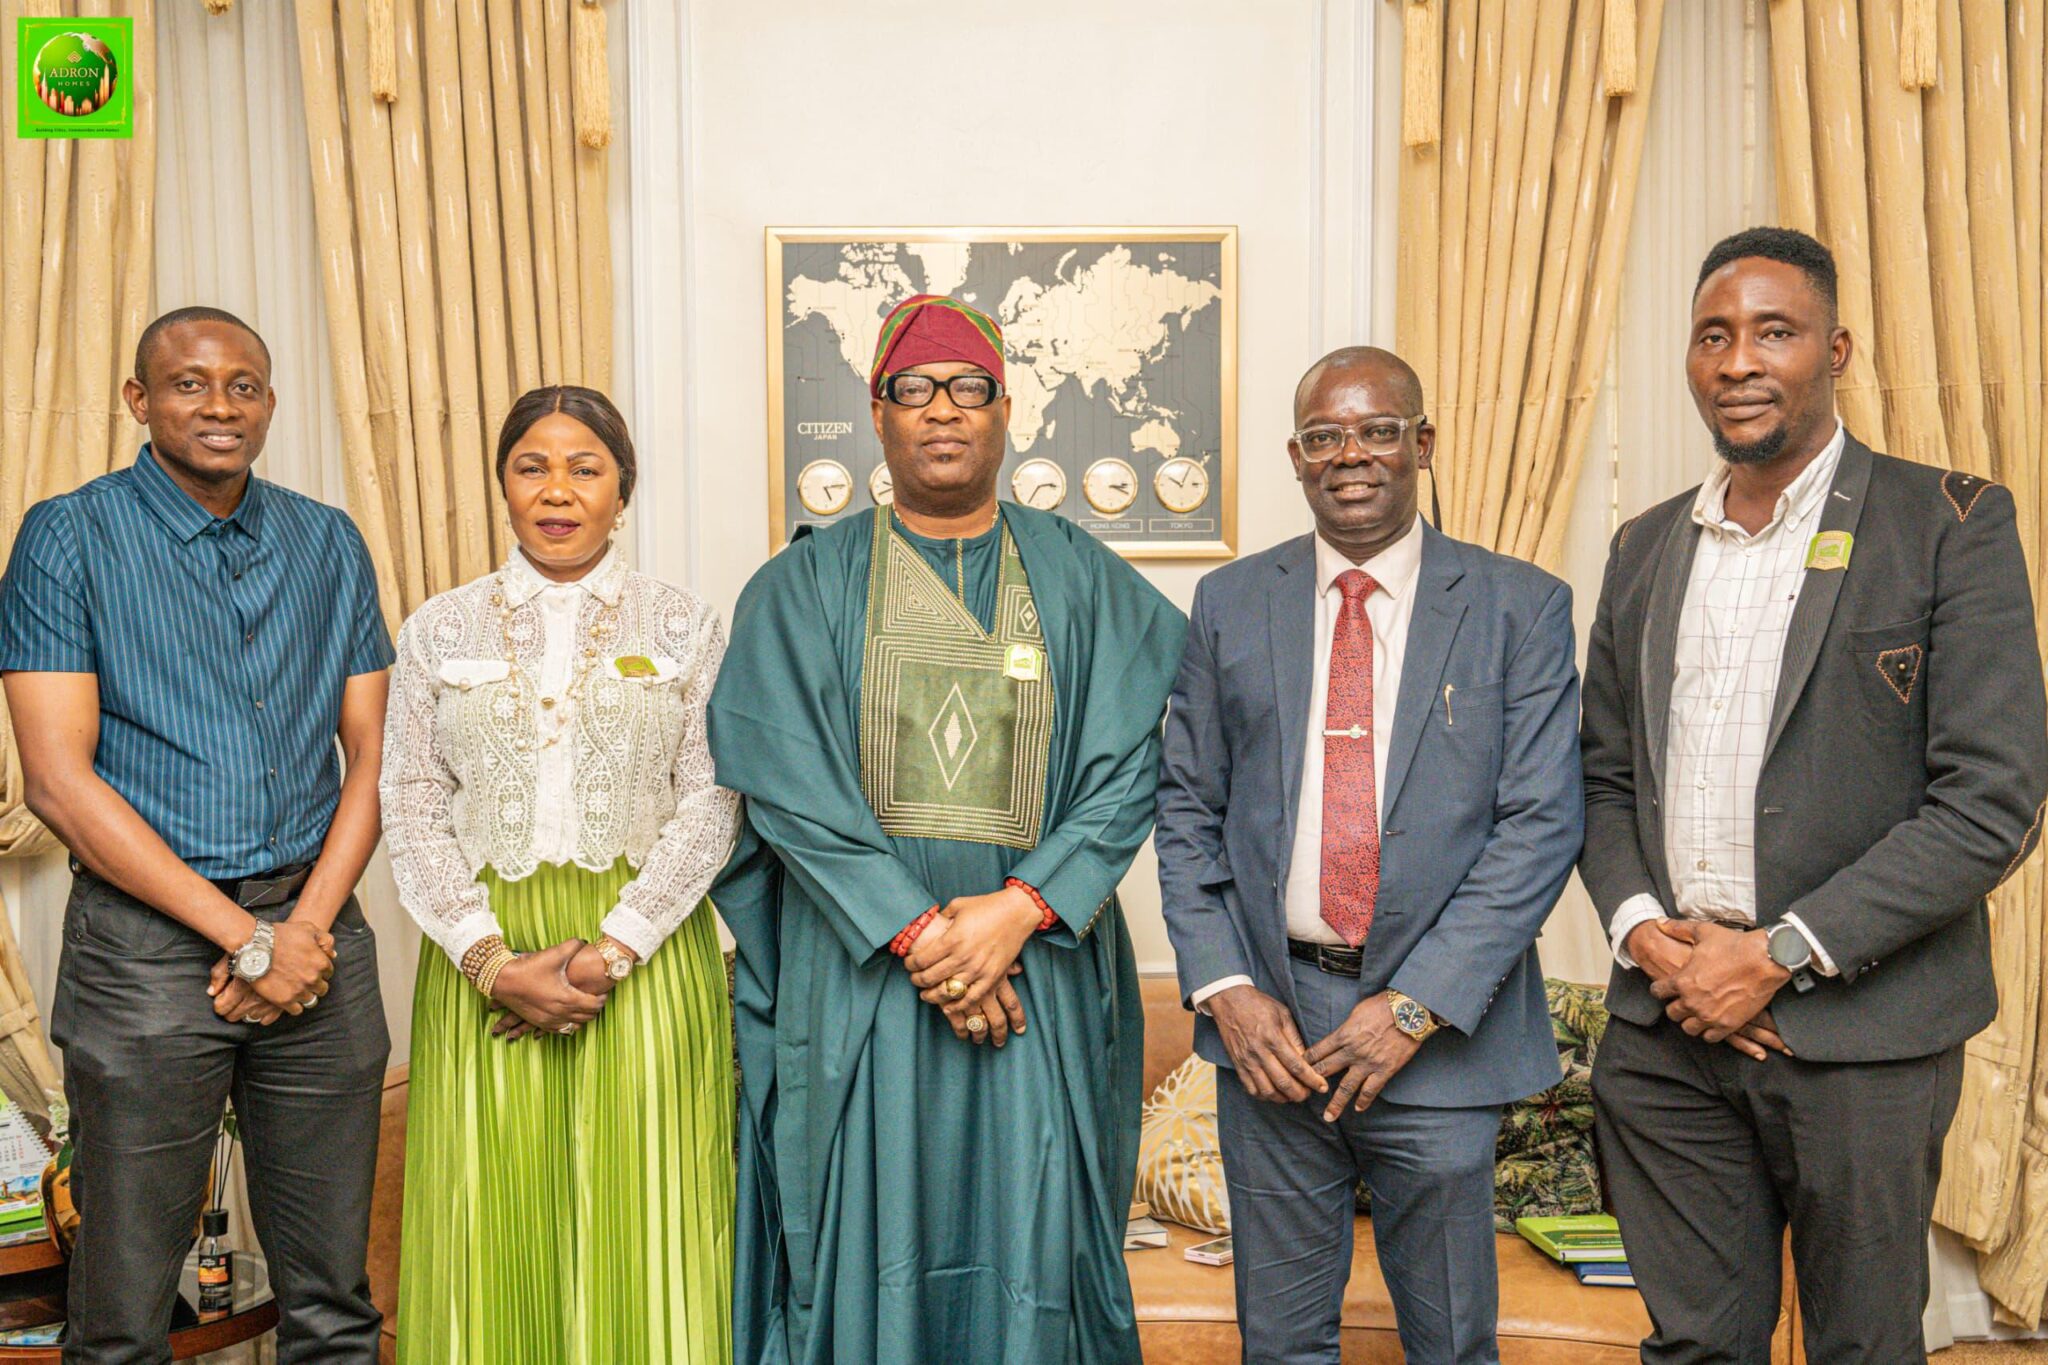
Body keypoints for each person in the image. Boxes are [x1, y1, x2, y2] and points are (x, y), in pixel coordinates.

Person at [1580, 227, 2048, 1362]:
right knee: (1695, 1348)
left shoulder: (1948, 522)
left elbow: (1992, 800)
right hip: (1665, 1036)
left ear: (1833, 350)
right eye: (1712, 336)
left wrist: (1776, 954)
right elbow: (1600, 774)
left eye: (1773, 332)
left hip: (1859, 1041)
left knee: (1861, 1348)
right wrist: (1645, 935)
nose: (1738, 360)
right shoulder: (1643, 546)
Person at [710, 294, 1186, 1363]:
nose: (942, 409)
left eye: (969, 388)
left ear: (1005, 412)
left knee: (1038, 1245)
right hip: (863, 987)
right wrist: (922, 932)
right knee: (866, 1245)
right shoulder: (800, 588)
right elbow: (785, 786)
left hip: (1039, 981)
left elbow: (1133, 767)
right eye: (913, 389)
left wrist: (1018, 910)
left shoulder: (1083, 579)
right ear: (876, 416)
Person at [1154, 346, 1583, 1363]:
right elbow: (1185, 809)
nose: (1350, 455)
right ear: (1296, 458)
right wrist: (1225, 988)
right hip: (1271, 1037)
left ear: (1421, 444)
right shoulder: (1230, 602)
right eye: (1324, 436)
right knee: (1280, 1347)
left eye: (1378, 431)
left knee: (1449, 1347)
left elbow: (1540, 824)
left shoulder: (1518, 604)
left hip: (1435, 1041)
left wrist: (1413, 1007)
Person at [0, 307, 391, 1363]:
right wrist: (246, 940)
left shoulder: (328, 539)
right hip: (143, 958)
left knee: (335, 1307)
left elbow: (373, 756)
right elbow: (57, 782)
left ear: (269, 404)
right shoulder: (67, 537)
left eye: (243, 385)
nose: (220, 405)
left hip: (317, 944)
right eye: (189, 383)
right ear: (139, 399)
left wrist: (298, 935)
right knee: (123, 1316)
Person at [381, 386, 740, 1363]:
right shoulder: (437, 630)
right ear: (501, 483)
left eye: (585, 468)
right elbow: (407, 798)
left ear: (623, 489)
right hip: (482, 958)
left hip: (644, 955)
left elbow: (714, 799)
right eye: (531, 466)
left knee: (651, 1220)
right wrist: (488, 960)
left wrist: (613, 951)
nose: (557, 490)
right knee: (489, 1220)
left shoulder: (685, 626)